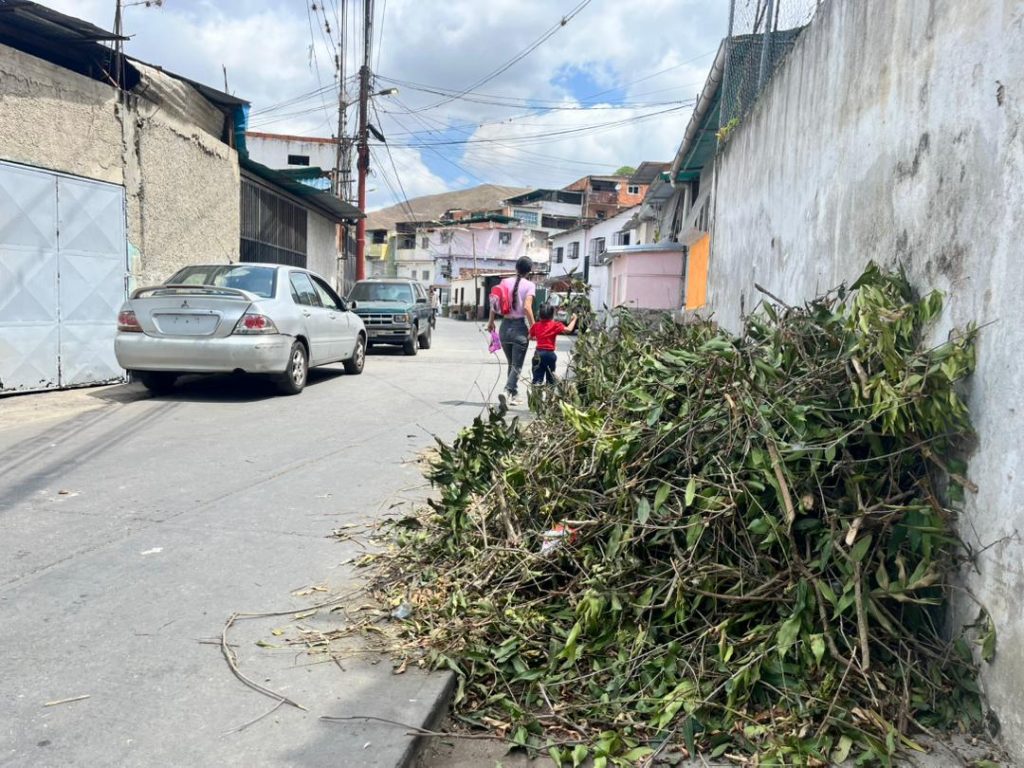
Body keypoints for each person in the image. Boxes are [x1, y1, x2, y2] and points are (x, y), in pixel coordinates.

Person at [486, 256, 535, 406]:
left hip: (504, 327)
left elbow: (495, 302)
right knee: (517, 365)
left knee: (512, 364)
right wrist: (533, 327)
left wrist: (491, 321)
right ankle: (507, 390)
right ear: (529, 271)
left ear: (516, 268)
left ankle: (513, 395)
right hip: (520, 328)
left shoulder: (504, 282)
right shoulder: (529, 285)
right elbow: (527, 307)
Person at [529, 304, 577, 386]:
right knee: (551, 379)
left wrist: (539, 337)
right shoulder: (555, 325)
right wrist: (574, 320)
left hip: (538, 354)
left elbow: (530, 337)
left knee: (537, 379)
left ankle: (536, 393)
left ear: (540, 314)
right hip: (550, 355)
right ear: (552, 315)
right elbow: (569, 330)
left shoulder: (536, 325)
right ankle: (549, 396)